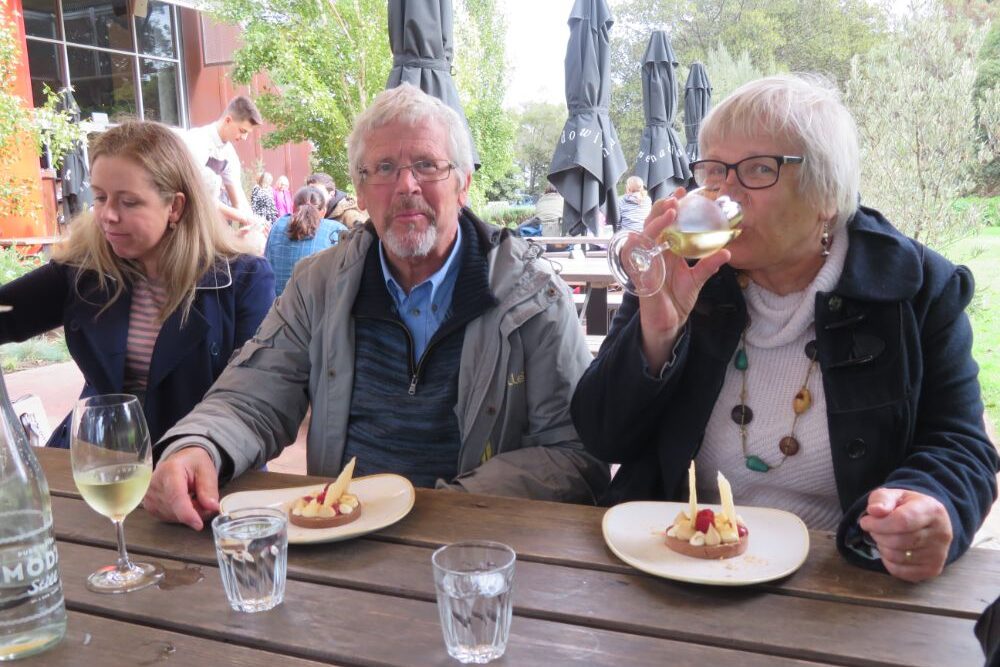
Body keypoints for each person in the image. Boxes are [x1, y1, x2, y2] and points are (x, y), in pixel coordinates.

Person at [570, 74, 998, 583]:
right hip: (679, 564)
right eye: (713, 170)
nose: (723, 193)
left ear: (827, 195)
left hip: (844, 575)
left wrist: (931, 503)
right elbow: (602, 437)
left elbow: (959, 444)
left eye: (756, 170)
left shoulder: (917, 288)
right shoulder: (685, 275)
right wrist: (656, 334)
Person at [143, 83, 609, 530]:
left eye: (427, 165)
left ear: (462, 185)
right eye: (383, 168)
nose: (406, 185)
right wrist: (198, 447)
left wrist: (452, 506)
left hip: (472, 548)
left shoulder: (532, 295)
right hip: (340, 538)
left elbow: (572, 454)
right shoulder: (318, 285)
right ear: (360, 193)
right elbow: (252, 398)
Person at [0, 121, 275, 448]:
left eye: (128, 202)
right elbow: (7, 314)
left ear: (175, 206)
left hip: (201, 467)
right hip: (97, 464)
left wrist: (203, 454)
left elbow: (256, 398)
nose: (107, 215)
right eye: (100, 197)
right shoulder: (84, 271)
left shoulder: (242, 280)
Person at [181, 95, 262, 228]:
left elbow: (238, 199)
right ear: (228, 120)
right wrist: (244, 217)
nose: (244, 138)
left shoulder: (230, 155)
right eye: (242, 131)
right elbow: (199, 196)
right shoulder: (196, 141)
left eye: (247, 133)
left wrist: (254, 224)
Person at [264, 186, 348, 296]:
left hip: (279, 307)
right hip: (320, 308)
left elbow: (267, 264)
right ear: (323, 211)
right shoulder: (336, 230)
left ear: (293, 207)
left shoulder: (277, 226)